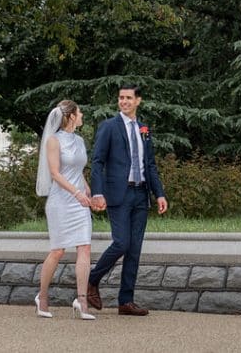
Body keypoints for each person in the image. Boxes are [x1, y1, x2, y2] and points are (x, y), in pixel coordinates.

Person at [86, 85, 168, 315]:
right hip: (118, 194)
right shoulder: (109, 126)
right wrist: (97, 193)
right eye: (121, 98)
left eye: (129, 98)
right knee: (121, 243)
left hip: (141, 194)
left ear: (138, 101)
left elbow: (150, 164)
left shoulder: (144, 129)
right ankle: (91, 279)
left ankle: (126, 302)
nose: (124, 101)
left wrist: (159, 194)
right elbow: (98, 161)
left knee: (134, 249)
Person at [34, 99, 97, 320]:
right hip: (61, 202)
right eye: (79, 113)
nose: (82, 116)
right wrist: (77, 193)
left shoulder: (79, 140)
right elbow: (55, 173)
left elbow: (77, 170)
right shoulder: (53, 140)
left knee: (85, 248)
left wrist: (87, 190)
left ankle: (82, 301)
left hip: (79, 202)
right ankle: (42, 297)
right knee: (58, 251)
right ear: (70, 116)